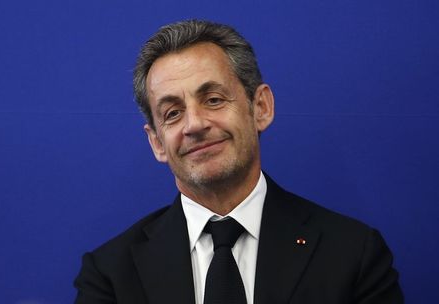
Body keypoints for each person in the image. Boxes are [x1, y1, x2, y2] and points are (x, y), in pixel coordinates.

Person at [74, 20, 403, 304]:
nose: (195, 125)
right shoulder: (109, 275)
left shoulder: (353, 254)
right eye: (172, 113)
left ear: (260, 107)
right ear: (157, 142)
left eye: (213, 100)